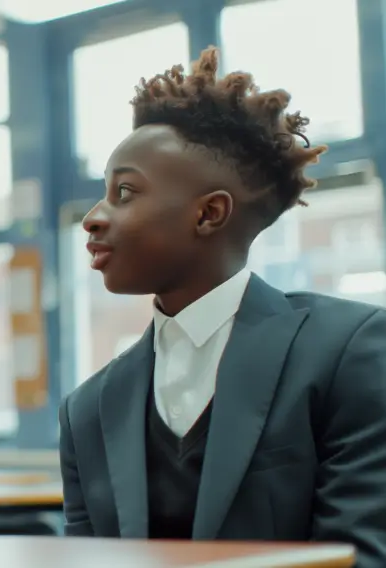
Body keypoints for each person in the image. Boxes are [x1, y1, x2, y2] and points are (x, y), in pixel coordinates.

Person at [60, 46, 386, 566]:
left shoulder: (347, 352)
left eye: (124, 192)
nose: (94, 218)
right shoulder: (88, 409)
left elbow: (362, 557)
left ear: (209, 214)